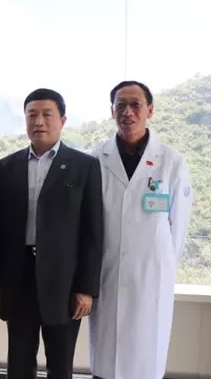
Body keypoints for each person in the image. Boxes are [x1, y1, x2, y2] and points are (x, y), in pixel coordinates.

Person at [0, 88, 104, 379]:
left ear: (62, 120)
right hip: (18, 278)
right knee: (19, 362)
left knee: (60, 363)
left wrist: (86, 288)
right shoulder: (7, 166)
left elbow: (92, 232)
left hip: (64, 281)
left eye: (46, 114)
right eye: (32, 115)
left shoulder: (85, 166)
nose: (38, 121)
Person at [88, 81, 193, 379]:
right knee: (106, 362)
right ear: (112, 112)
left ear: (150, 111)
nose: (128, 112)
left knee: (145, 359)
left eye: (135, 105)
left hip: (151, 279)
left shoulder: (172, 162)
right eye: (120, 105)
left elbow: (178, 229)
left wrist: (158, 265)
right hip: (107, 275)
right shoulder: (95, 159)